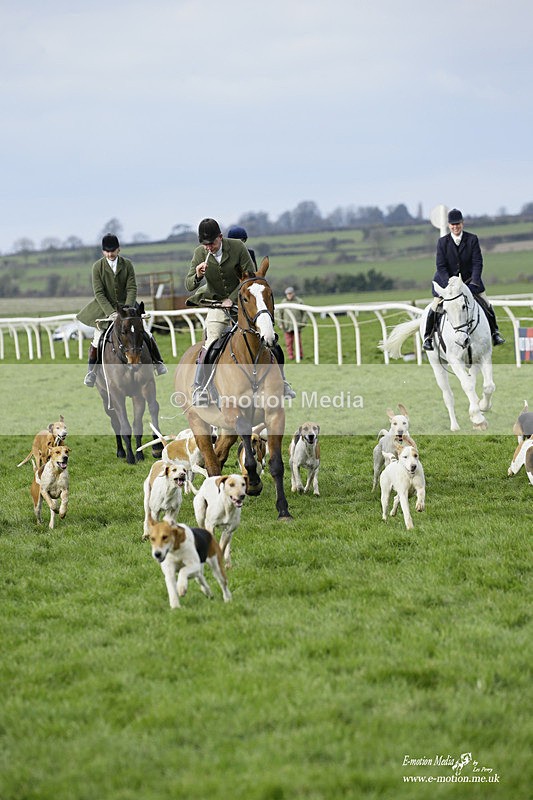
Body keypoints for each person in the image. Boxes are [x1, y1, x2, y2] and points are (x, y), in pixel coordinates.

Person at [185, 218, 295, 403]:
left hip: (245, 303)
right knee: (211, 341)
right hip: (217, 304)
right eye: (205, 244)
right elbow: (188, 285)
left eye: (211, 243)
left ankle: (282, 382)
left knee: (268, 337)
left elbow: (250, 279)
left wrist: (233, 298)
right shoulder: (199, 254)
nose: (208, 248)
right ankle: (200, 387)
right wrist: (197, 275)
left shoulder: (237, 247)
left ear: (220, 237)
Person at [77, 233, 167, 386]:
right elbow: (99, 292)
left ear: (119, 250)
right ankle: (91, 372)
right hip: (105, 308)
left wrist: (127, 308)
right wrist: (111, 312)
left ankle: (158, 362)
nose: (110, 254)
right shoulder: (97, 267)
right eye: (107, 251)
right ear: (103, 251)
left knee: (146, 332)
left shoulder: (127, 264)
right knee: (98, 339)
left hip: (128, 307)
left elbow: (132, 287)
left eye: (113, 251)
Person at [423, 208, 505, 350]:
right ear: (449, 225)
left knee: (486, 302)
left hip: (469, 280)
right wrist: (449, 283)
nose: (456, 227)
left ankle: (495, 333)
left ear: (462, 223)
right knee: (435, 305)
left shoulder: (472, 239)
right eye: (453, 224)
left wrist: (474, 282)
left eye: (458, 224)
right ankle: (428, 337)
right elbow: (441, 266)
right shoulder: (442, 242)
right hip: (446, 281)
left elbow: (477, 263)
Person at [276, 286, 307, 360]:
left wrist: (303, 322)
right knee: (288, 343)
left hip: (297, 325)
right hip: (286, 326)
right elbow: (279, 314)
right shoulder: (283, 302)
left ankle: (300, 355)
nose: (289, 295)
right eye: (287, 294)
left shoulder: (299, 301)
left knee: (298, 342)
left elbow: (304, 313)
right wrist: (280, 323)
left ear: (293, 293)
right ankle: (290, 355)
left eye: (290, 293)